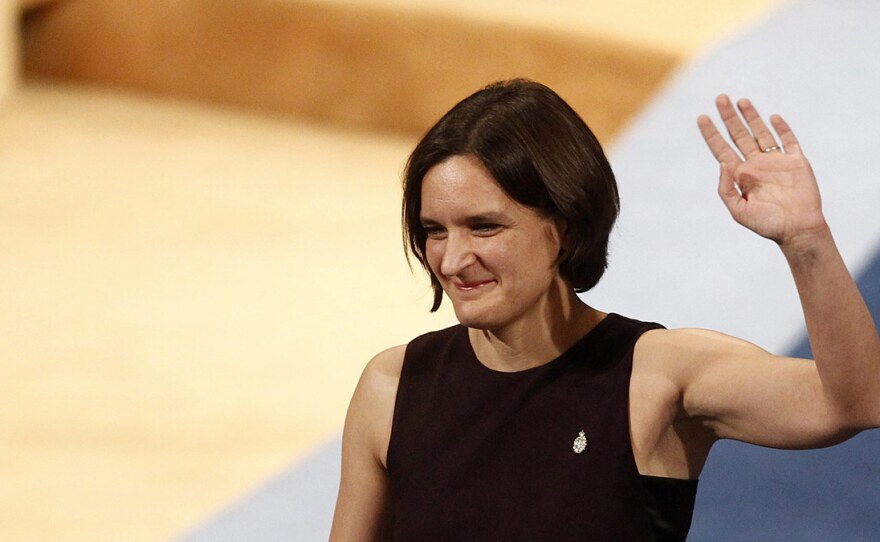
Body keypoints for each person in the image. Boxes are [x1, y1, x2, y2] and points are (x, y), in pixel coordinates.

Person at [329, 79, 880, 541]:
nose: (452, 259)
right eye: (433, 231)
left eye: (484, 226)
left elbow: (853, 402)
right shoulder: (392, 386)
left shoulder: (659, 376)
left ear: (563, 228)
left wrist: (806, 241)